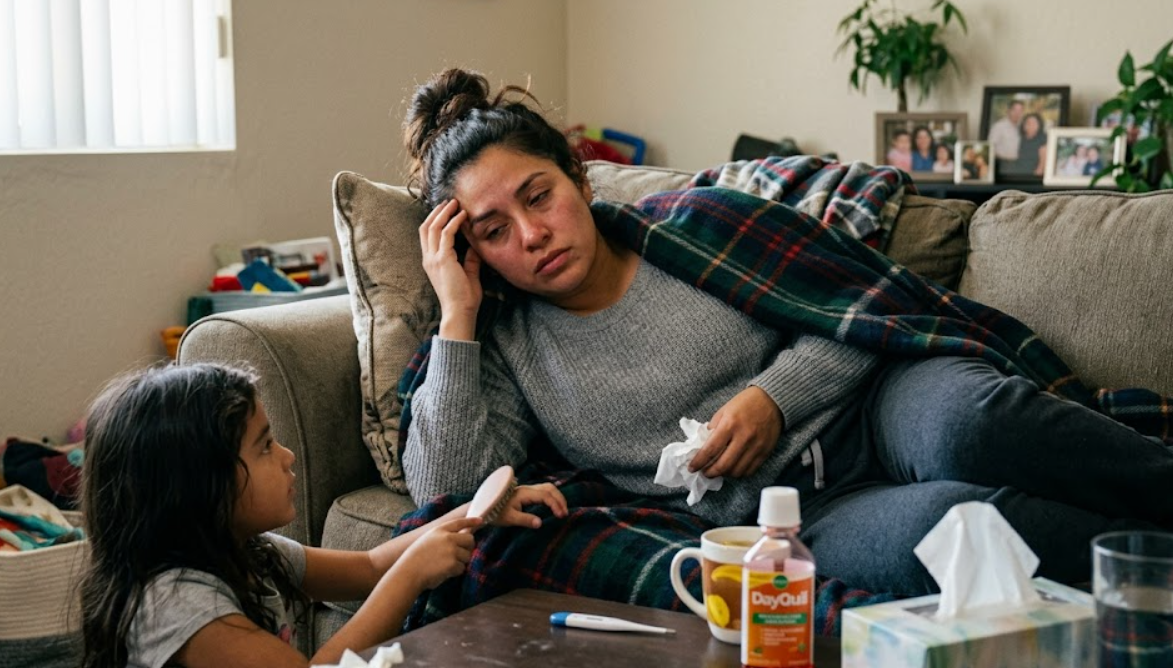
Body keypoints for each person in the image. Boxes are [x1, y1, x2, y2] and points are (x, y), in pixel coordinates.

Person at [401, 68, 1173, 596]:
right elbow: (447, 493)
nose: (531, 235)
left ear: (577, 174)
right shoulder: (499, 345)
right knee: (952, 529)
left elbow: (856, 313)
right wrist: (458, 317)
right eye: (494, 230)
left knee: (971, 429)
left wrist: (771, 397)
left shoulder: (695, 227)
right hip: (790, 517)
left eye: (539, 196)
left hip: (875, 401)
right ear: (471, 250)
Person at [78, 363, 567, 668]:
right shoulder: (176, 605)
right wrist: (413, 573)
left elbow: (371, 567)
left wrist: (478, 513)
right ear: (198, 486)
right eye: (266, 446)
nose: (288, 456)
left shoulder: (253, 553)